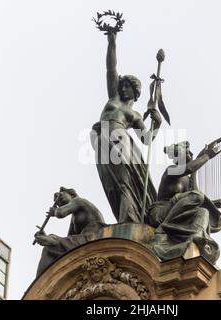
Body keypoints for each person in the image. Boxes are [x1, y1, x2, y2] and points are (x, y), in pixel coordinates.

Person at [90, 31, 162, 223]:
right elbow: (111, 68)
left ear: (136, 92)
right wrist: (112, 40)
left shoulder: (135, 115)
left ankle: (129, 218)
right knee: (110, 181)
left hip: (121, 139)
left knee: (123, 181)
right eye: (121, 85)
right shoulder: (113, 98)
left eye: (126, 86)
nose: (122, 89)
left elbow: (147, 139)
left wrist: (158, 123)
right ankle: (126, 216)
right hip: (102, 137)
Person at [149, 139, 221, 263]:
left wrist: (211, 205)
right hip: (160, 214)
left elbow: (196, 194)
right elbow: (189, 171)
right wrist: (206, 156)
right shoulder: (171, 170)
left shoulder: (188, 177)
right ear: (179, 153)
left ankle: (197, 237)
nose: (191, 154)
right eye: (188, 151)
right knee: (198, 197)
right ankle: (163, 229)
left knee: (203, 212)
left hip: (176, 213)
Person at [34, 187, 106, 276]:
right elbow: (67, 240)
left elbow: (60, 213)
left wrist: (54, 211)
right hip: (85, 238)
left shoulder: (78, 201)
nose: (59, 201)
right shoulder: (74, 218)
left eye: (61, 196)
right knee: (51, 240)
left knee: (49, 247)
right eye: (58, 201)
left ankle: (40, 285)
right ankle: (42, 284)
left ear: (71, 194)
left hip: (93, 236)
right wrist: (46, 237)